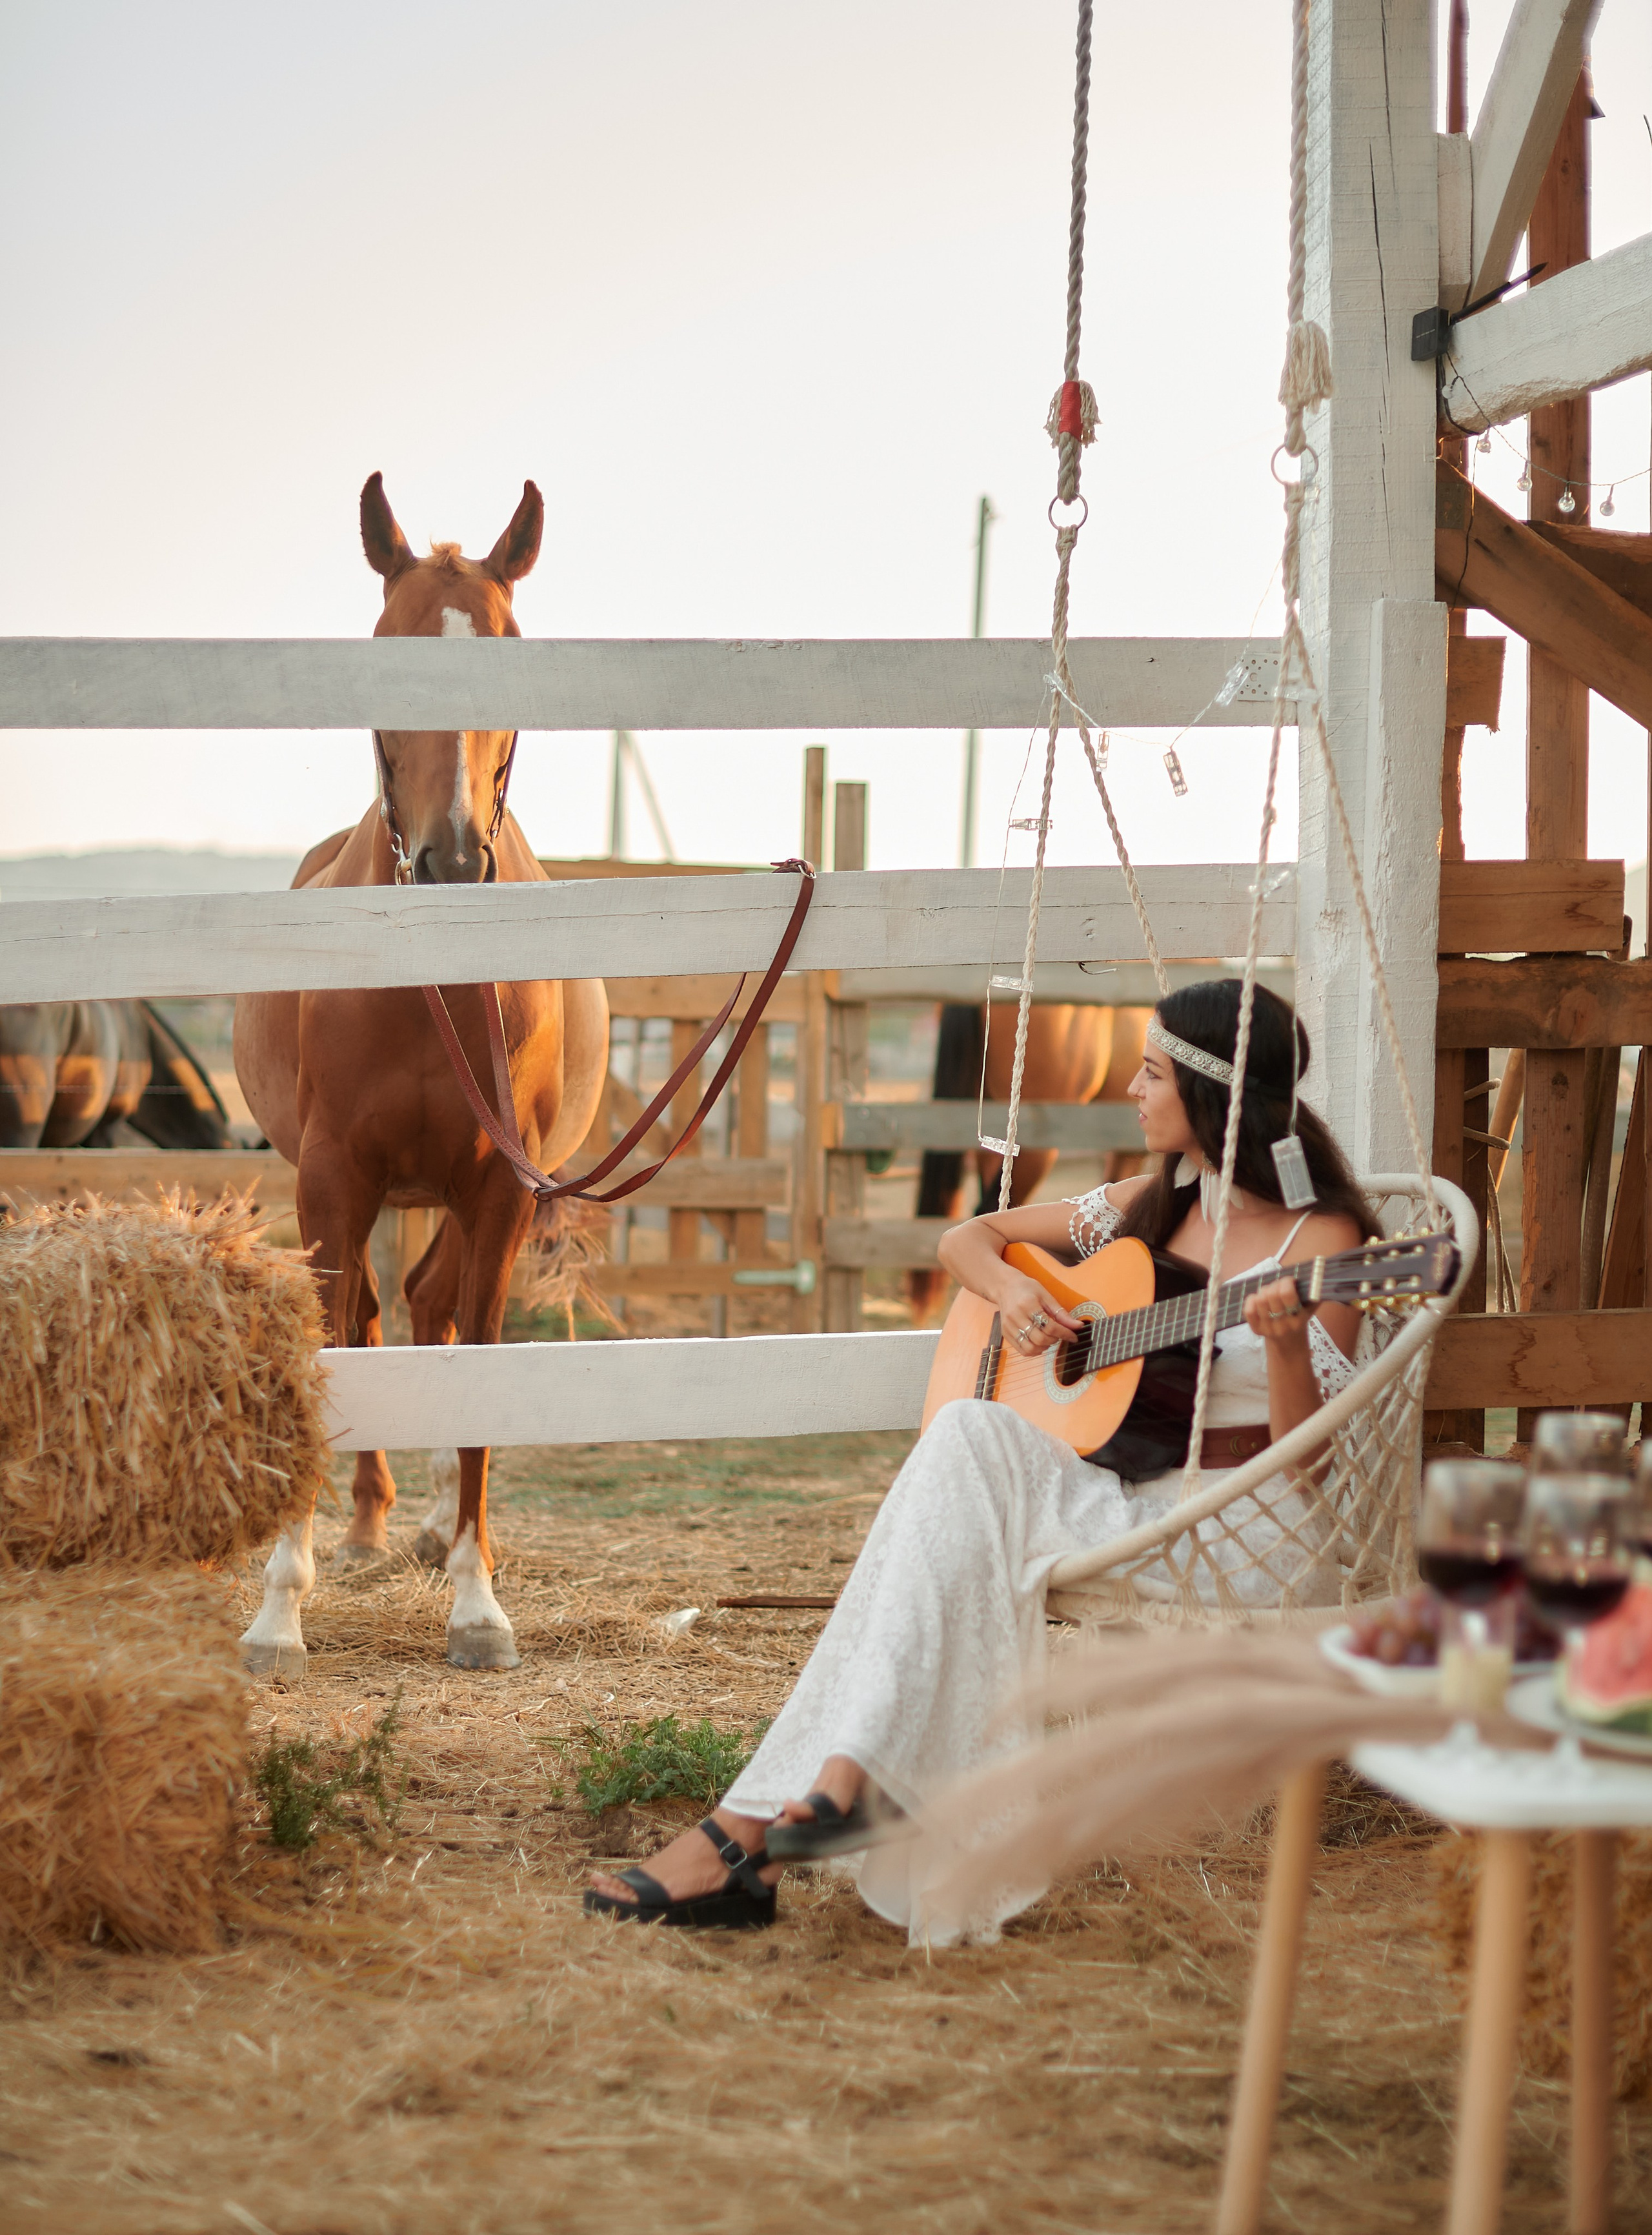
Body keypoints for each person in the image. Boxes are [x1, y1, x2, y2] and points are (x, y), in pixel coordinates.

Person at [586, 980, 1377, 1941]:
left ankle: (772, 1818)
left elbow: (1311, 1471)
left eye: (1152, 1072)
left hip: (1244, 1522)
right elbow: (970, 1237)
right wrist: (1010, 1294)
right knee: (964, 1433)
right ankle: (838, 1782)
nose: (1131, 1088)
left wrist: (1288, 1345)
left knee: (955, 1507)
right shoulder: (1149, 1205)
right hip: (1142, 1495)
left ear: (1212, 1098)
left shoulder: (1323, 1242)